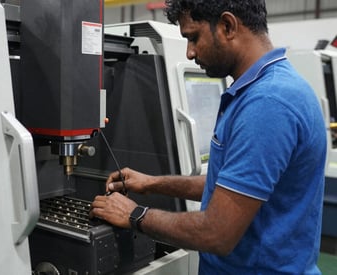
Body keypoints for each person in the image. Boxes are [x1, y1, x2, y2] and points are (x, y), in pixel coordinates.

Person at [90, 0, 327, 274]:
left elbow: (217, 234)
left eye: (193, 37)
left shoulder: (267, 103)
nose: (189, 53)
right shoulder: (267, 87)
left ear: (227, 26)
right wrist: (152, 183)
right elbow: (230, 184)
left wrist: (135, 214)